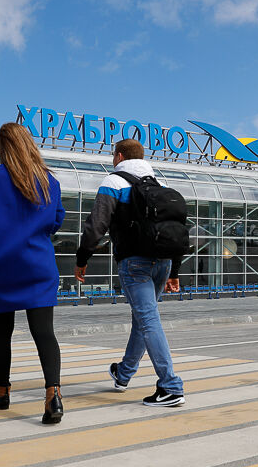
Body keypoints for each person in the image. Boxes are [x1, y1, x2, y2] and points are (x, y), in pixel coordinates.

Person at [75, 138, 186, 407]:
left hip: (134, 263)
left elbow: (96, 226)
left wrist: (82, 258)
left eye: (113, 155)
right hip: (163, 262)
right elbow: (175, 229)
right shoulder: (159, 184)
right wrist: (174, 271)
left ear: (120, 156)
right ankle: (123, 374)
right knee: (142, 319)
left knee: (148, 320)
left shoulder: (113, 182)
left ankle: (171, 386)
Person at [0, 122, 66, 425]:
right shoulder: (48, 180)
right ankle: (53, 395)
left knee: (1, 332)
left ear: (3, 147)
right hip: (38, 263)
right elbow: (56, 221)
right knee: (44, 331)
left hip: (1, 263)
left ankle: (2, 392)